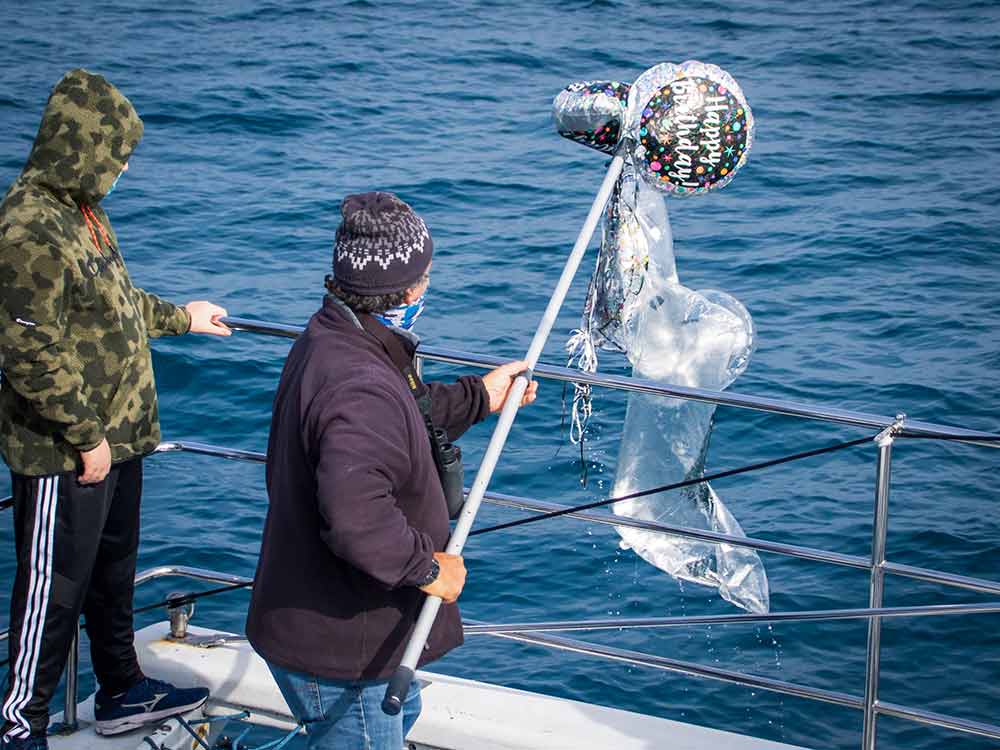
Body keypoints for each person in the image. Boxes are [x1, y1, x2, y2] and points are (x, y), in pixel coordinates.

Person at [246, 191, 537, 749]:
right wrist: (429, 569)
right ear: (409, 289)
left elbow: (402, 419)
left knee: (399, 717)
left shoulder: (337, 337)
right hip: (340, 645)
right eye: (425, 274)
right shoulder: (360, 383)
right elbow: (358, 521)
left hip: (323, 620)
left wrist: (481, 397)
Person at [0, 69, 231, 748]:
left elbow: (112, 306)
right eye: (116, 154)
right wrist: (85, 435)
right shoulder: (28, 227)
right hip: (66, 449)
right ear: (82, 146)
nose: (123, 167)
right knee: (53, 587)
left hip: (121, 438)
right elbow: (29, 347)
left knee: (112, 573)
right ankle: (20, 723)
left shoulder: (82, 214)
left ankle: (121, 687)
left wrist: (180, 318)